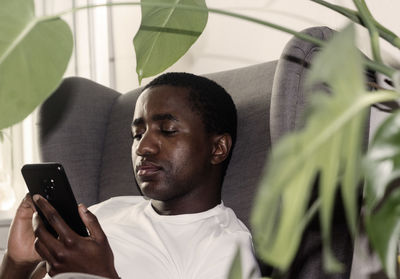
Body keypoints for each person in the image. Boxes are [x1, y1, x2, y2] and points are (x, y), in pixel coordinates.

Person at [0, 73, 261, 279]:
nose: (143, 147)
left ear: (218, 148)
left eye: (168, 130)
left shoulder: (225, 249)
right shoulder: (106, 211)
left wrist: (101, 277)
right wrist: (16, 263)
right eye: (138, 134)